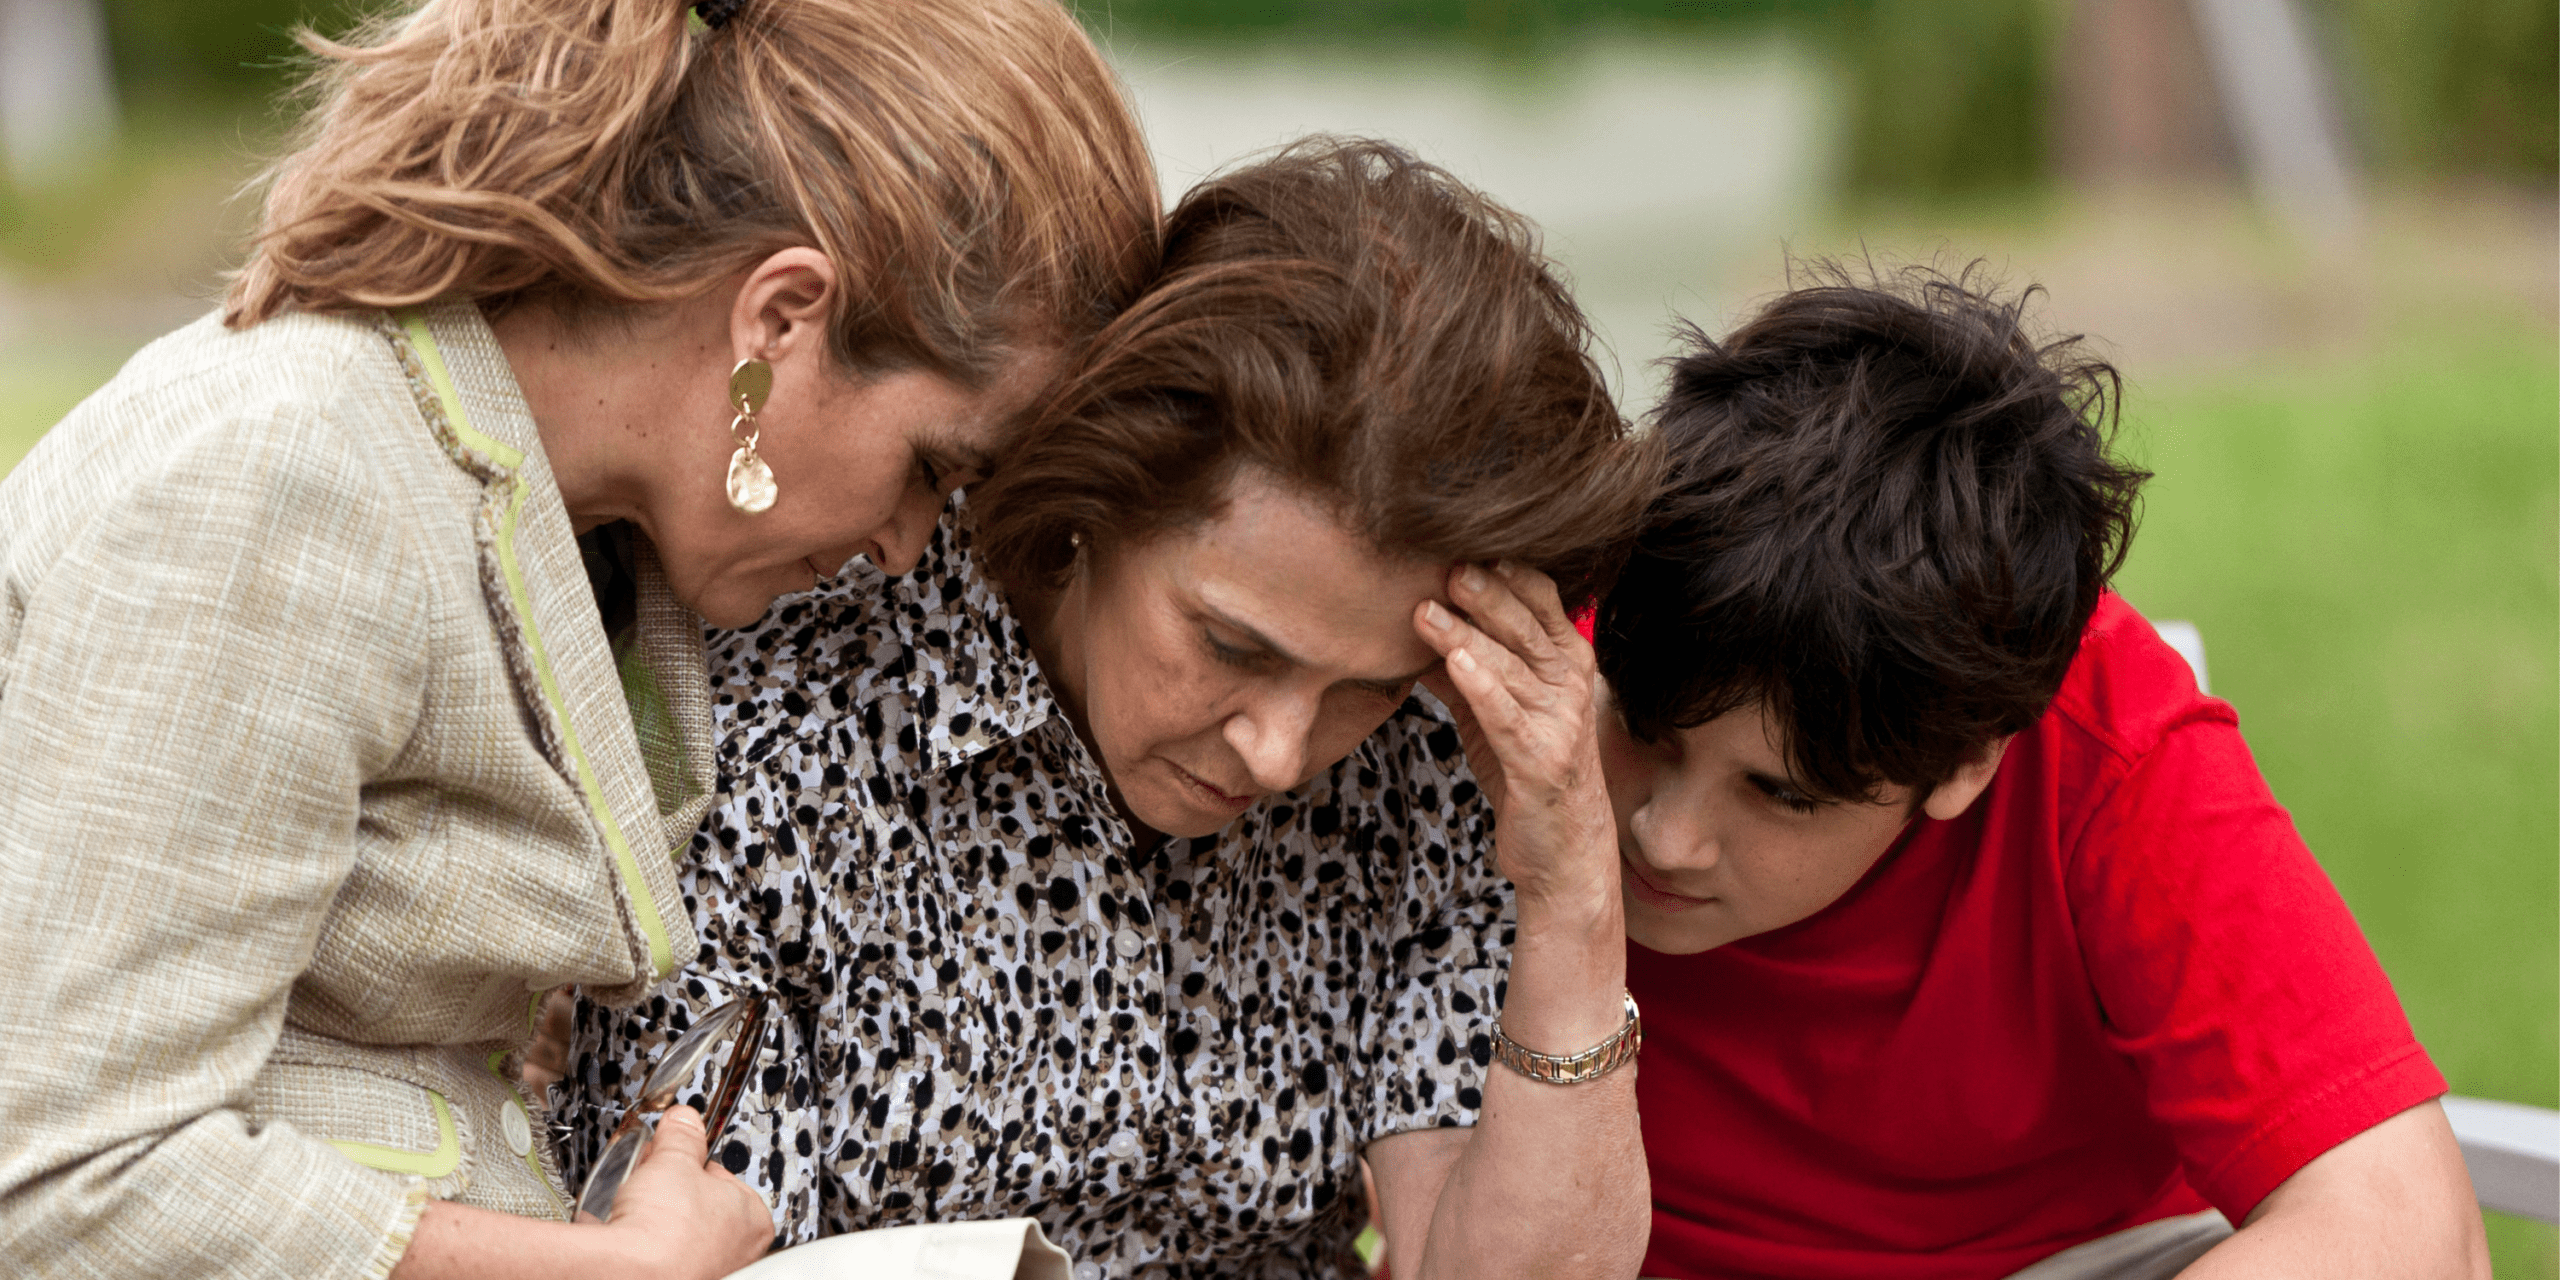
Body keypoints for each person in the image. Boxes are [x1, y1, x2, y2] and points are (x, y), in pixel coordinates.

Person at [0, 0, 1157, 1276]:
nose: (903, 542)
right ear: (778, 321)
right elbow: (62, 1177)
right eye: (932, 466)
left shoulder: (570, 526)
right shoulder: (290, 474)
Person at [562, 139, 1662, 1279]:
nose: (1280, 753)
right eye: (1230, 645)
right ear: (1094, 495)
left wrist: (1572, 889)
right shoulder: (780, 726)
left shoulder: (1437, 743)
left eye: (1364, 687)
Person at [1586, 266, 2488, 1279]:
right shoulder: (1585, 624)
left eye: (1780, 792)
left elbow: (2406, 1230)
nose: (1663, 833)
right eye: (1645, 727)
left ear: (1969, 760)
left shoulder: (2103, 741)